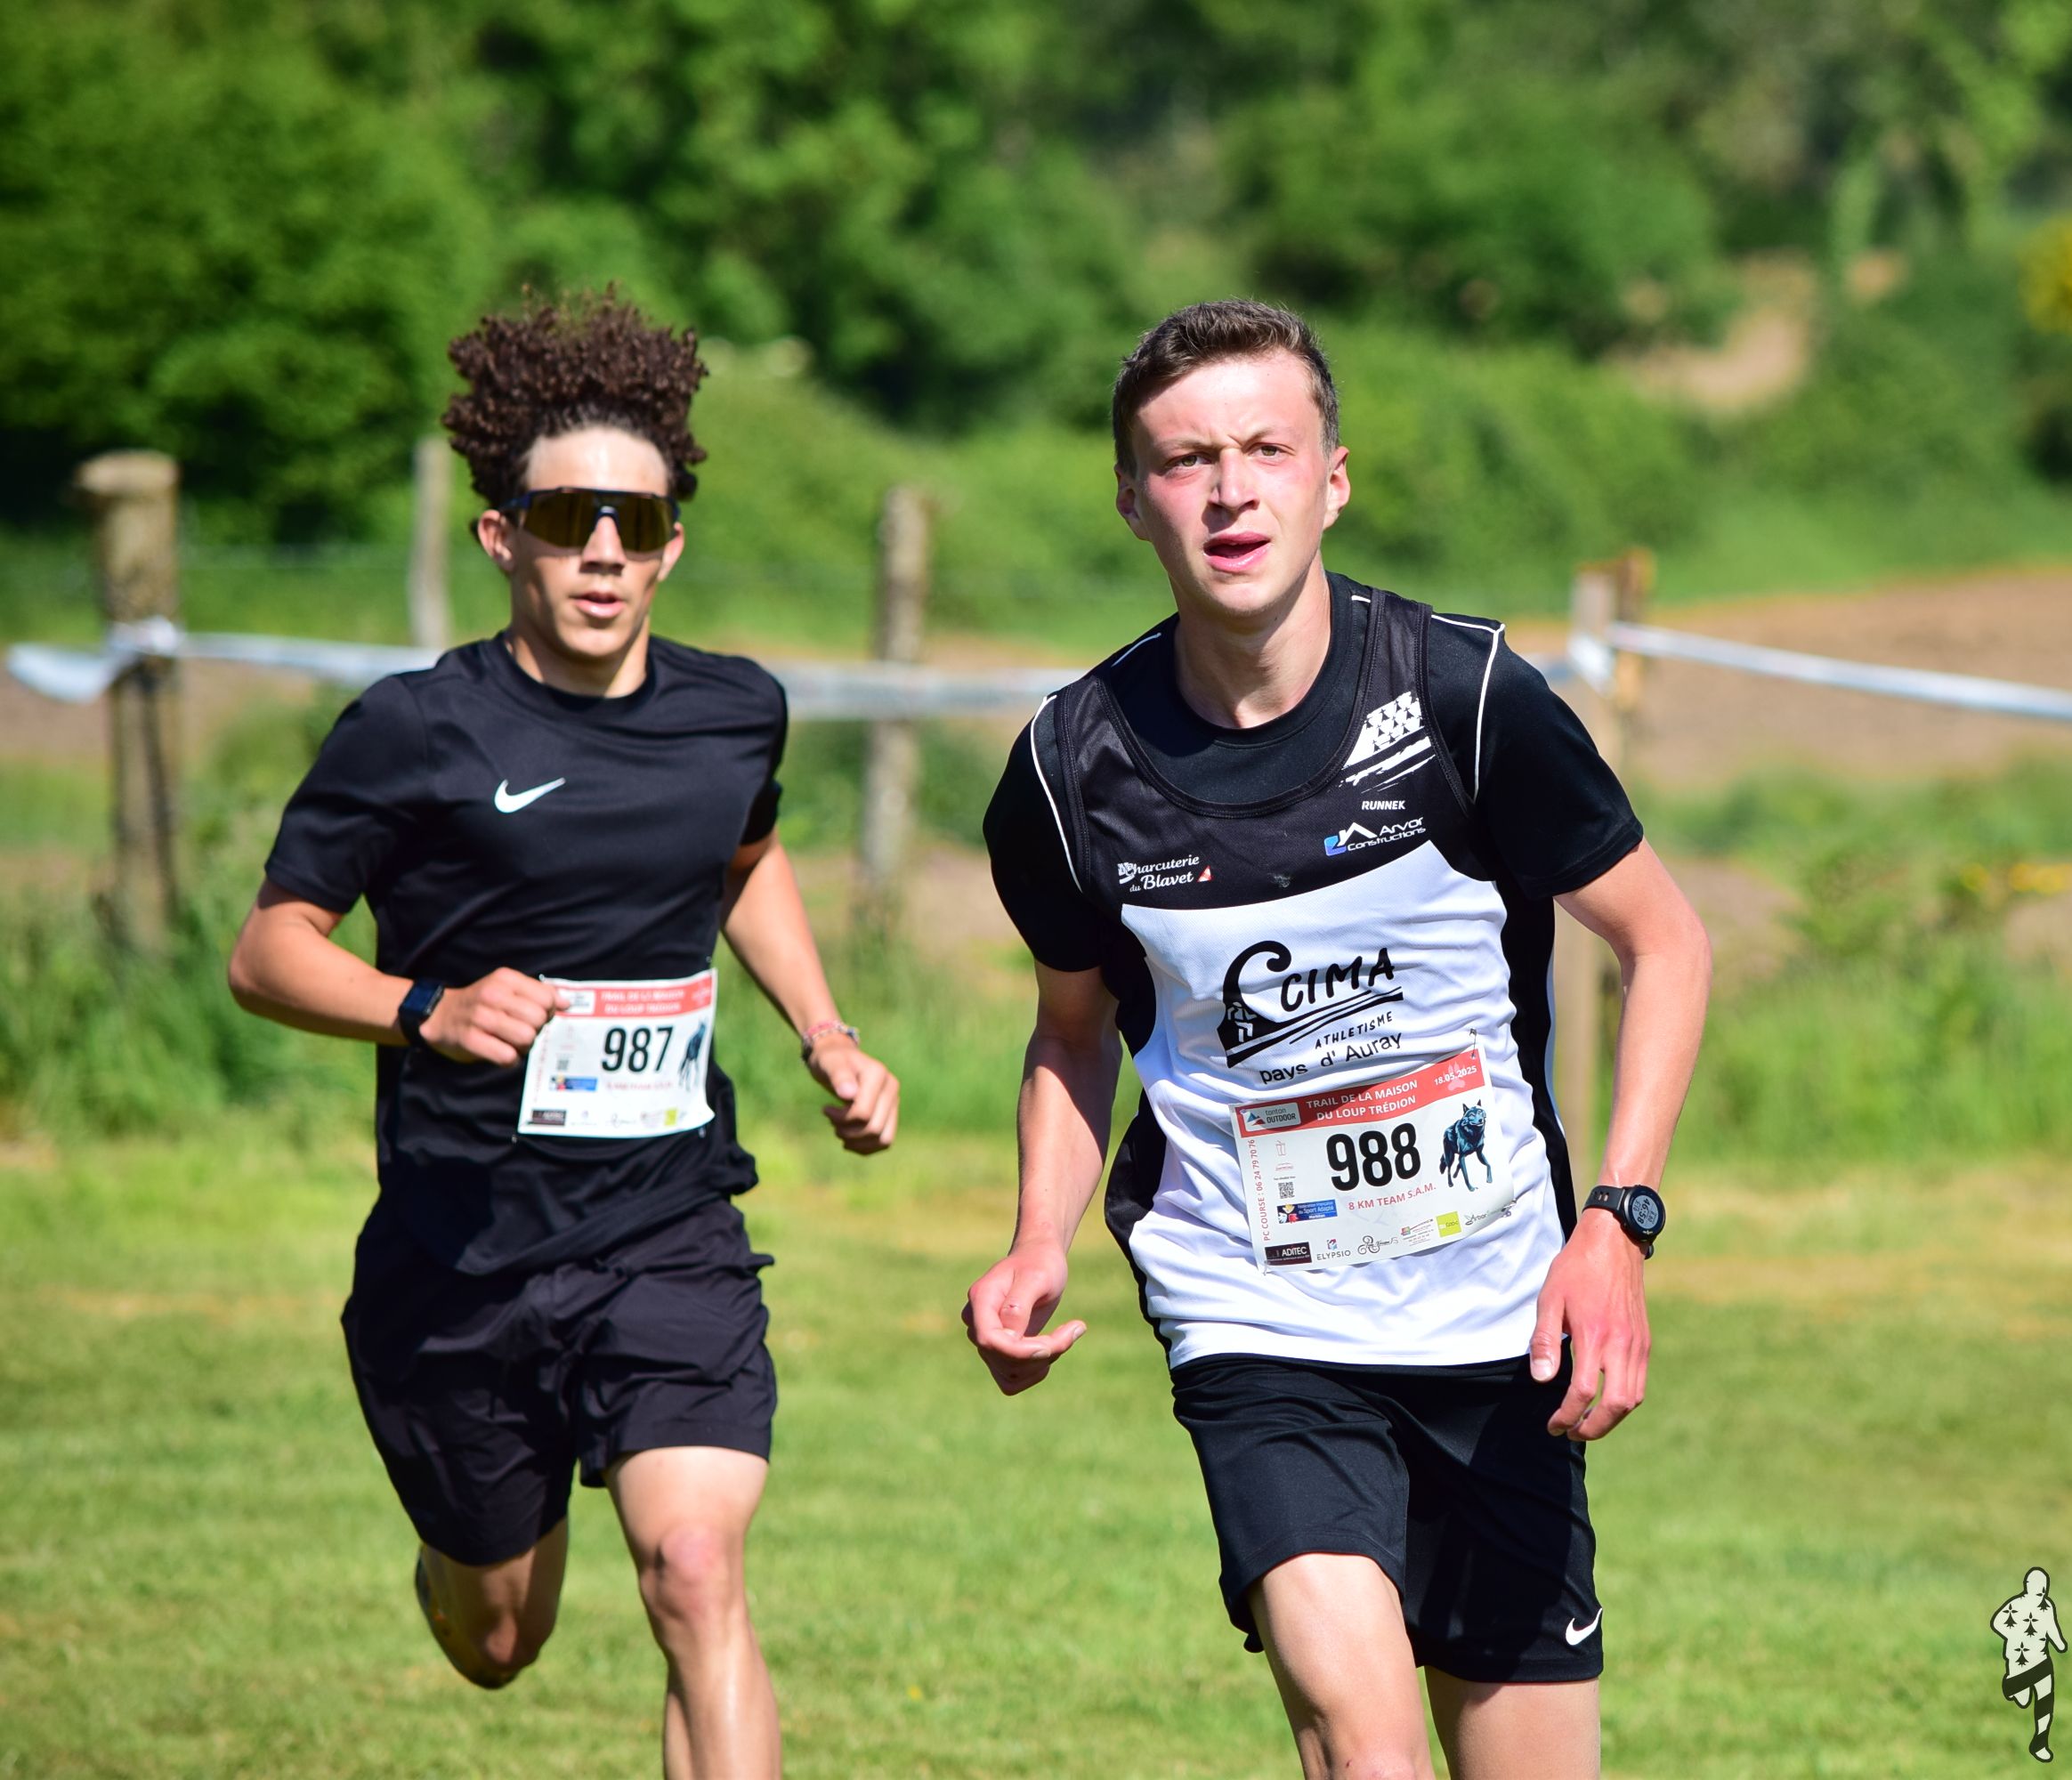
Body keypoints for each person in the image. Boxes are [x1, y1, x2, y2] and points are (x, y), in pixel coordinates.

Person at [967, 299, 1711, 1779]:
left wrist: (1617, 1224)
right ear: (1132, 500)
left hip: (1503, 1325)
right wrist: (1040, 1234)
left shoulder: (1464, 697)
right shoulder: (1069, 771)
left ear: (1332, 478)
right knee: (1368, 1750)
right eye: (1187, 461)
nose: (1230, 491)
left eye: (1265, 449)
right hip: (1258, 1323)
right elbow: (1072, 1031)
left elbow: (1666, 943)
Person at [227, 292, 896, 1780]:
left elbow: (745, 859)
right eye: (564, 518)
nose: (601, 551)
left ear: (671, 548)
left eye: (633, 524)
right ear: (500, 537)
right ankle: (461, 1559)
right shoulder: (413, 730)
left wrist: (825, 1030)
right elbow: (266, 952)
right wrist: (428, 1009)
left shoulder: (735, 713)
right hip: (462, 1248)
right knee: (499, 1640)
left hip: (667, 1225)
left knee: (696, 1572)